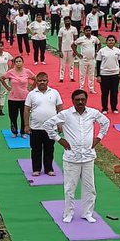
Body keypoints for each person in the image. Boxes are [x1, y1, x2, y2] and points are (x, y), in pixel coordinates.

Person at [44, 90, 110, 224]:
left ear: (86, 100)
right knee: (70, 187)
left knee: (90, 187)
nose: (80, 102)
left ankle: (87, 213)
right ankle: (68, 213)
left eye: (82, 99)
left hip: (88, 157)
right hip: (71, 158)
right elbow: (47, 124)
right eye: (77, 100)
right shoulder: (66, 114)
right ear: (73, 100)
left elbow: (105, 123)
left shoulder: (92, 113)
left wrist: (99, 138)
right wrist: (58, 139)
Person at [25, 72, 63, 177]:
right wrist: (26, 125)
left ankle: (49, 168)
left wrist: (60, 123)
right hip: (36, 127)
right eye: (40, 80)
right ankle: (36, 169)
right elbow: (27, 110)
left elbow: (60, 108)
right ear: (36, 81)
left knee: (49, 149)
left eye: (44, 80)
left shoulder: (54, 93)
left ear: (48, 81)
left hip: (51, 127)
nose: (42, 82)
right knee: (36, 149)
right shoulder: (31, 94)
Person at [1, 57, 33, 139]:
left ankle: (23, 132)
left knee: (24, 116)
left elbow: (35, 78)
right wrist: (7, 87)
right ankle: (14, 132)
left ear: (23, 62)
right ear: (14, 63)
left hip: (24, 98)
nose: (18, 63)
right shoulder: (11, 72)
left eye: (20, 61)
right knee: (13, 116)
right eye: (16, 61)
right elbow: (2, 78)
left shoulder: (27, 71)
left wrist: (32, 87)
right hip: (13, 98)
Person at [95, 35, 120, 114]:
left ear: (115, 41)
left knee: (114, 92)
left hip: (115, 74)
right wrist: (98, 75)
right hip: (104, 74)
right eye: (109, 40)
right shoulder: (102, 51)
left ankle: (114, 107)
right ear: (106, 41)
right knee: (105, 92)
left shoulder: (117, 51)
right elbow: (98, 64)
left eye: (112, 40)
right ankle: (104, 108)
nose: (111, 42)